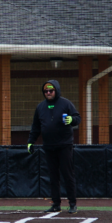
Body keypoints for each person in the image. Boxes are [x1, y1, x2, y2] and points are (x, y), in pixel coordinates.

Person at [27, 79, 81, 214]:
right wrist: (30, 141)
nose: (48, 93)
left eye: (51, 90)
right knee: (53, 176)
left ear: (56, 90)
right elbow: (36, 127)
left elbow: (77, 117)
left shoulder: (66, 103)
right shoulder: (40, 107)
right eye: (46, 91)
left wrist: (71, 120)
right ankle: (56, 203)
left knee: (68, 174)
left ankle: (72, 203)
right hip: (49, 146)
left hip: (64, 145)